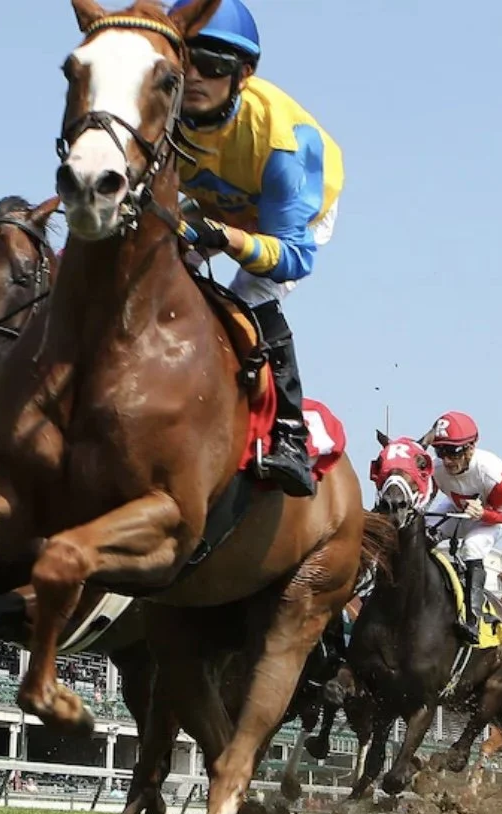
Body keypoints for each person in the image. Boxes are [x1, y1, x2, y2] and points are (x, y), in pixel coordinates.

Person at [170, 0, 344, 499]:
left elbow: (295, 258)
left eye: (213, 66)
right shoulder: (161, 107)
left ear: (243, 74)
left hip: (292, 215)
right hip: (216, 196)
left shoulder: (287, 143)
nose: (194, 77)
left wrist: (226, 238)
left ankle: (289, 433)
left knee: (250, 295)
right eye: (184, 61)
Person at [425, 411, 502, 640]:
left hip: (491, 518)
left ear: (471, 447)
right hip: (458, 509)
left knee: (472, 546)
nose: (446, 460)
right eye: (441, 451)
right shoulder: (436, 469)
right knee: (422, 530)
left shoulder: (494, 473)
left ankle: (472, 617)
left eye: (453, 452)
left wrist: (484, 513)